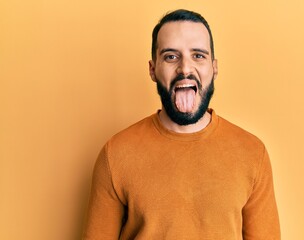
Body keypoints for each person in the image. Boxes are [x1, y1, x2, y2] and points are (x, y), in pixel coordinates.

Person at [83, 9, 280, 240]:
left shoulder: (252, 152)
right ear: (153, 69)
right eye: (171, 56)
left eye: (198, 55)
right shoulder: (115, 154)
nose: (185, 68)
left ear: (214, 68)